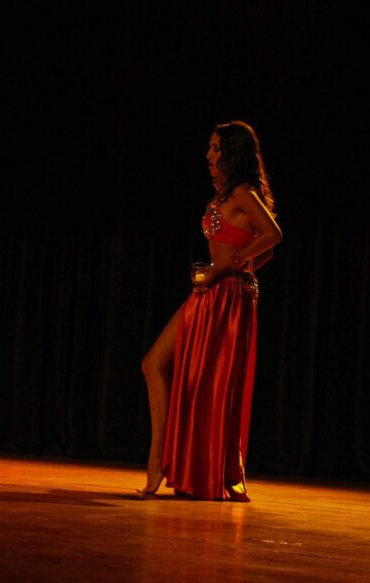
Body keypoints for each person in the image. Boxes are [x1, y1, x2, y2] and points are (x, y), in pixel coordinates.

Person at [139, 121, 282, 500]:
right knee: (154, 363)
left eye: (216, 148)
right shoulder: (225, 196)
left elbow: (272, 237)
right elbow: (262, 248)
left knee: (211, 384)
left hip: (229, 296)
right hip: (212, 290)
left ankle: (175, 467)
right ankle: (161, 460)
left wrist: (232, 265)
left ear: (232, 153)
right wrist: (230, 267)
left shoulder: (243, 193)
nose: (208, 155)